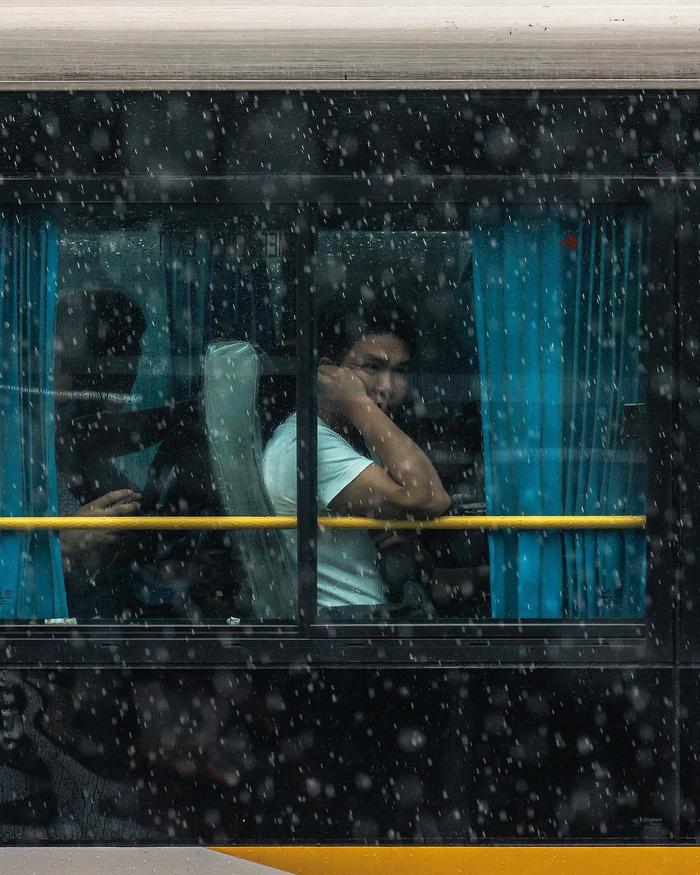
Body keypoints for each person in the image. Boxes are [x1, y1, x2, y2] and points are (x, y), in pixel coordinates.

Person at [262, 300, 450, 617]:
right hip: (349, 625)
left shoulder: (359, 438)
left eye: (400, 371)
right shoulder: (307, 445)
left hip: (381, 614)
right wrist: (358, 403)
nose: (388, 387)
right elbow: (428, 496)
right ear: (328, 372)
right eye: (372, 368)